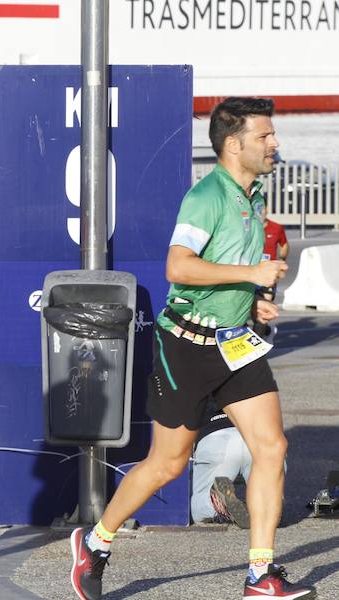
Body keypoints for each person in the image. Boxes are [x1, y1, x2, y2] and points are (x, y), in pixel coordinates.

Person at [69, 97, 314, 600]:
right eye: (265, 136)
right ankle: (95, 543)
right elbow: (178, 267)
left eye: (273, 135)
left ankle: (259, 575)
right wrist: (251, 274)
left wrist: (252, 303)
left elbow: (231, 270)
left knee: (272, 448)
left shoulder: (255, 194)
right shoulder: (207, 197)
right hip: (186, 348)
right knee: (168, 465)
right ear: (233, 144)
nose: (275, 144)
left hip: (235, 346)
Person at [191, 404, 252, 528]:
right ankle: (269, 504)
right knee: (266, 488)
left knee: (198, 509)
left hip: (215, 438)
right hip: (253, 435)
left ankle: (216, 502)